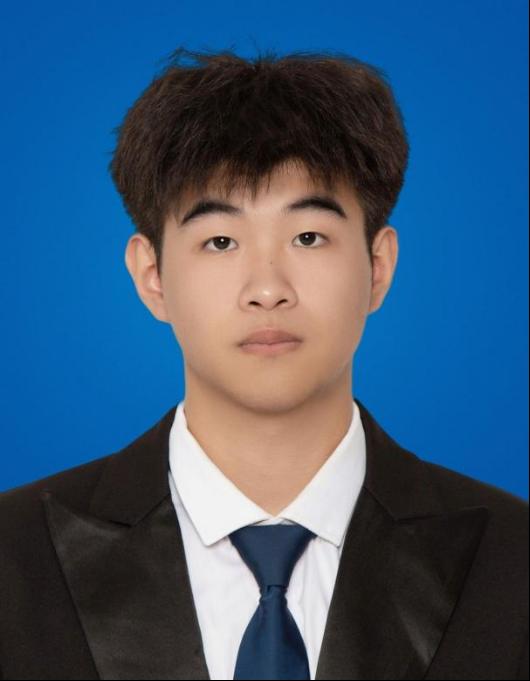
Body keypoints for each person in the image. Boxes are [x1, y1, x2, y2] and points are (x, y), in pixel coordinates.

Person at [0, 47, 527, 681]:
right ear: (152, 276)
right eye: (220, 241)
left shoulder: (514, 557)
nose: (268, 288)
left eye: (309, 237)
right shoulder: (14, 553)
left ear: (378, 268)